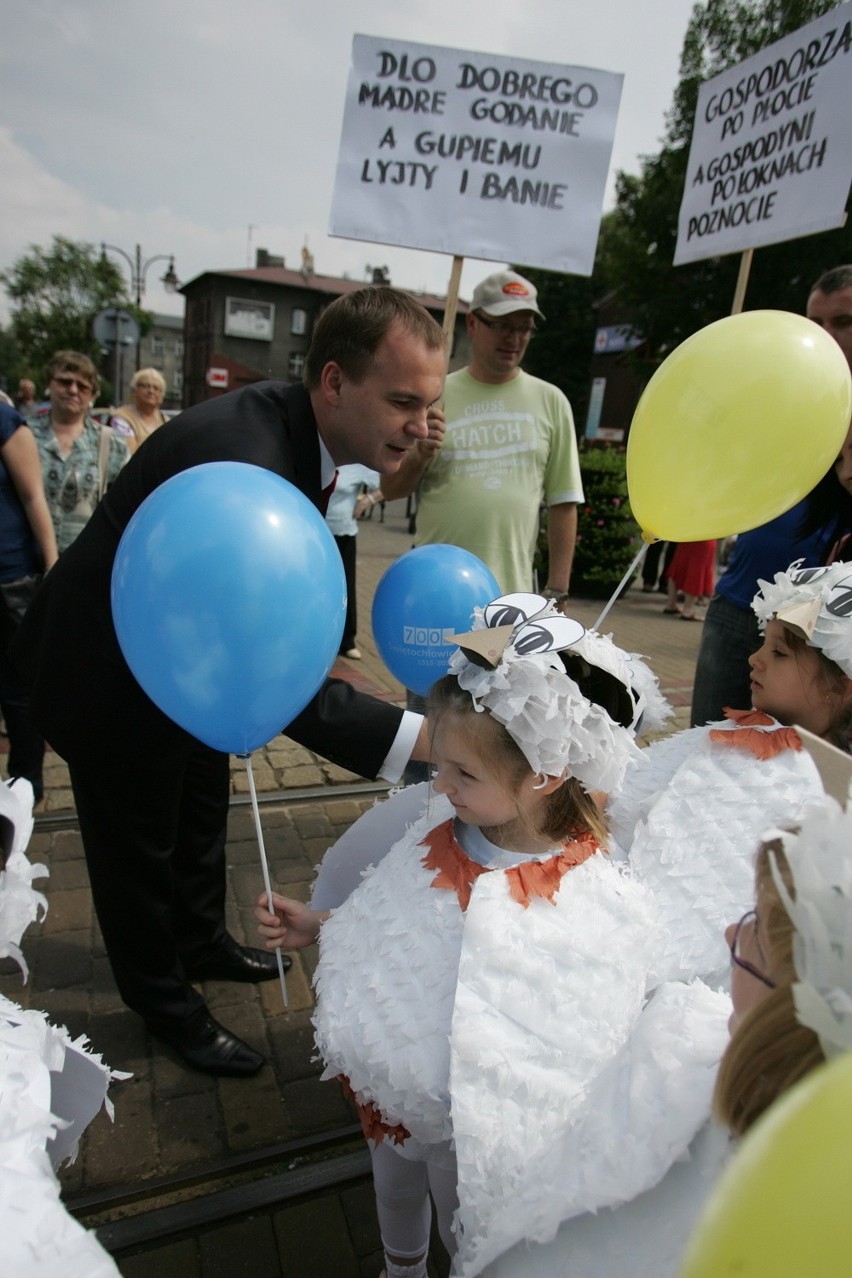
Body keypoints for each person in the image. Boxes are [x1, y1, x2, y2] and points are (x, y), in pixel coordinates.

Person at [12, 288, 445, 1078]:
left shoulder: (301, 432)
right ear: (335, 384)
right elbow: (275, 673)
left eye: (430, 405)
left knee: (203, 802)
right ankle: (164, 1003)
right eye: (404, 401)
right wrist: (431, 743)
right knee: (138, 844)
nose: (422, 425)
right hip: (110, 675)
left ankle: (202, 940)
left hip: (187, 666)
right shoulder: (243, 457)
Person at [255, 593, 727, 1277]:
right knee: (392, 1183)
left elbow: (589, 1021)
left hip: (473, 1124)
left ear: (544, 774)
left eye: (462, 773)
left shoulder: (590, 888)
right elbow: (392, 919)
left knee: (463, 1218)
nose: (439, 787)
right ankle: (402, 1268)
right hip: (394, 1089)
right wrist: (321, 925)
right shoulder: (442, 835)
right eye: (439, 764)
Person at [610, 558, 852, 998]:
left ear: (842, 685)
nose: (755, 659)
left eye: (779, 652)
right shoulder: (728, 742)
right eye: (765, 643)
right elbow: (624, 798)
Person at [691, 266, 852, 726]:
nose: (825, 336)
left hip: (812, 636)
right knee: (704, 749)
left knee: (785, 770)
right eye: (814, 322)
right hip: (738, 603)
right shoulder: (782, 395)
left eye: (843, 322)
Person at [381, 270, 584, 599]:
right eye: (502, 325)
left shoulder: (552, 402)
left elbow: (564, 503)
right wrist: (418, 455)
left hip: (511, 597)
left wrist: (558, 590)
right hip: (437, 590)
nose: (514, 338)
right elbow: (390, 490)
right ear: (473, 324)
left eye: (523, 328)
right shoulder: (434, 394)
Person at [0, 403, 58, 802]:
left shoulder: (5, 423)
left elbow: (33, 495)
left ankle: (23, 787)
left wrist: (52, 564)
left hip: (9, 577)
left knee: (18, 686)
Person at [29, 351, 130, 553]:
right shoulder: (24, 435)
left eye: (83, 386)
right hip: (25, 562)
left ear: (93, 394)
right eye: (65, 382)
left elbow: (125, 505)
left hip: (81, 562)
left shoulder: (111, 443)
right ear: (49, 384)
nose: (73, 390)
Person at [324, 462, 382, 660]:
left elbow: (387, 485)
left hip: (343, 533)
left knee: (346, 586)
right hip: (317, 532)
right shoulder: (323, 458)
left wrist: (367, 501)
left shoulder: (358, 466)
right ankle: (322, 638)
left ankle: (347, 640)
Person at [111, 367, 169, 453]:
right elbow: (129, 452)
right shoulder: (121, 418)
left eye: (156, 388)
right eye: (145, 386)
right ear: (134, 390)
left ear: (162, 396)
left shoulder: (166, 420)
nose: (151, 391)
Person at [663, 538, 716, 620]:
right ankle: (687, 610)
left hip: (687, 534)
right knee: (697, 570)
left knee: (678, 566)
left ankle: (671, 604)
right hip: (706, 535)